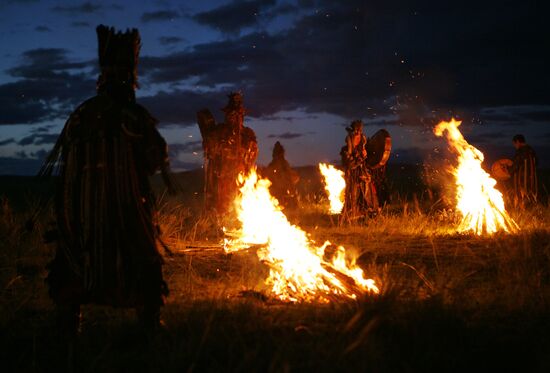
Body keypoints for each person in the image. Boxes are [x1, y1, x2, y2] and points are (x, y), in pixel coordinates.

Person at [39, 25, 172, 335]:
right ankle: (149, 322)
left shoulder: (80, 114)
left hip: (80, 213)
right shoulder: (132, 116)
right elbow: (155, 159)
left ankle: (68, 318)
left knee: (74, 256)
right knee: (141, 255)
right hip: (123, 211)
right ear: (130, 79)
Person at [197, 92, 258, 214]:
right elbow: (210, 150)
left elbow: (252, 157)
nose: (234, 117)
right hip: (222, 175)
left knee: (240, 203)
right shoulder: (219, 132)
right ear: (226, 115)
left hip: (241, 175)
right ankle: (220, 222)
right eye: (231, 114)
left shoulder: (248, 134)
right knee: (222, 204)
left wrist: (247, 151)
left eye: (238, 115)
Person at [340, 120, 378, 223]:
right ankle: (350, 217)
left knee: (367, 194)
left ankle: (368, 217)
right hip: (353, 174)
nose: (358, 133)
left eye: (360, 131)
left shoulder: (363, 143)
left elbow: (366, 158)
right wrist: (358, 158)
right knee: (353, 196)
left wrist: (364, 155)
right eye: (356, 130)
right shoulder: (347, 144)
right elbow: (349, 161)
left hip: (363, 173)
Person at [263, 141, 300, 208]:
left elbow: (289, 174)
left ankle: (291, 205)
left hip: (284, 186)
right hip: (277, 187)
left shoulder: (284, 163)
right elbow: (268, 174)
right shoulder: (273, 164)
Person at [510, 134, 538, 208]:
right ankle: (532, 211)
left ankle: (522, 213)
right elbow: (536, 163)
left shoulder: (521, 151)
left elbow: (516, 165)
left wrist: (509, 171)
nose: (515, 146)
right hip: (532, 179)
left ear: (518, 142)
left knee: (522, 197)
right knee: (531, 195)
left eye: (514, 144)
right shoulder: (531, 150)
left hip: (522, 179)